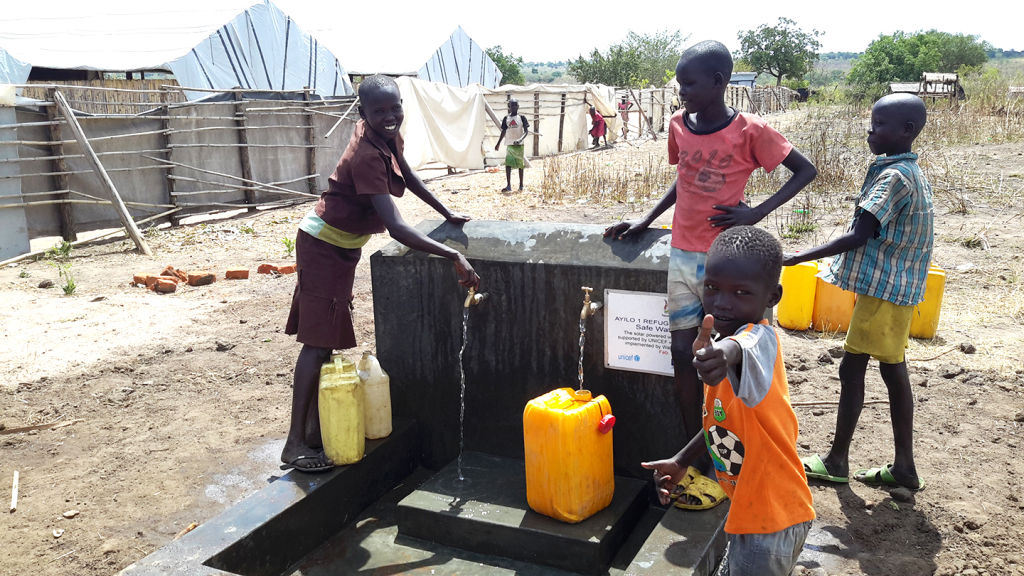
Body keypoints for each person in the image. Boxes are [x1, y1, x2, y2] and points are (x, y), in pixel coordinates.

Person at [604, 40, 817, 508]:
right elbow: (683, 181)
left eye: (690, 83)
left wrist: (755, 212)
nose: (681, 91)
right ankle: (694, 457)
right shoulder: (678, 125)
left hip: (725, 262)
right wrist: (645, 221)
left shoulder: (749, 130)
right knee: (684, 357)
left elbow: (805, 170)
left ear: (719, 83)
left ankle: (737, 458)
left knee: (730, 363)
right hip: (682, 255)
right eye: (680, 82)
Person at [281, 75, 481, 473]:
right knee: (318, 344)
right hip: (324, 247)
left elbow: (406, 174)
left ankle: (313, 430)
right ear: (363, 114)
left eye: (395, 108)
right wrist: (452, 256)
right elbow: (396, 227)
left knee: (327, 341)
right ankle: (294, 444)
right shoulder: (366, 155)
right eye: (380, 111)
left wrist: (445, 212)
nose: (390, 117)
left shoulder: (383, 137)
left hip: (340, 247)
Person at [643, 226, 815, 575]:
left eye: (740, 292)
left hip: (771, 520)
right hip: (752, 512)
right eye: (713, 288)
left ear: (772, 297)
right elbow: (717, 423)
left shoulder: (758, 340)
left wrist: (722, 352)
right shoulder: (723, 336)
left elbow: (742, 347)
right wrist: (682, 460)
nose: (722, 302)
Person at [783, 93, 932, 491]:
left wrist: (798, 256)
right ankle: (903, 468)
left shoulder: (894, 178)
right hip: (899, 290)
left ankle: (837, 460)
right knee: (890, 369)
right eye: (872, 122)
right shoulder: (910, 172)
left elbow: (858, 235)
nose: (871, 130)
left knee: (858, 369)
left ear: (907, 131)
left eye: (880, 124)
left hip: (886, 292)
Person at [494, 98, 529, 191]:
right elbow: (503, 131)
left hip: (519, 145)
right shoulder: (506, 118)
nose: (514, 107)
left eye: (515, 105)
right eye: (512, 105)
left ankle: (521, 185)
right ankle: (509, 185)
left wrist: (520, 139)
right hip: (509, 144)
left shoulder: (522, 118)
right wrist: (498, 143)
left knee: (520, 165)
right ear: (509, 107)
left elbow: (526, 132)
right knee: (508, 165)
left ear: (518, 106)